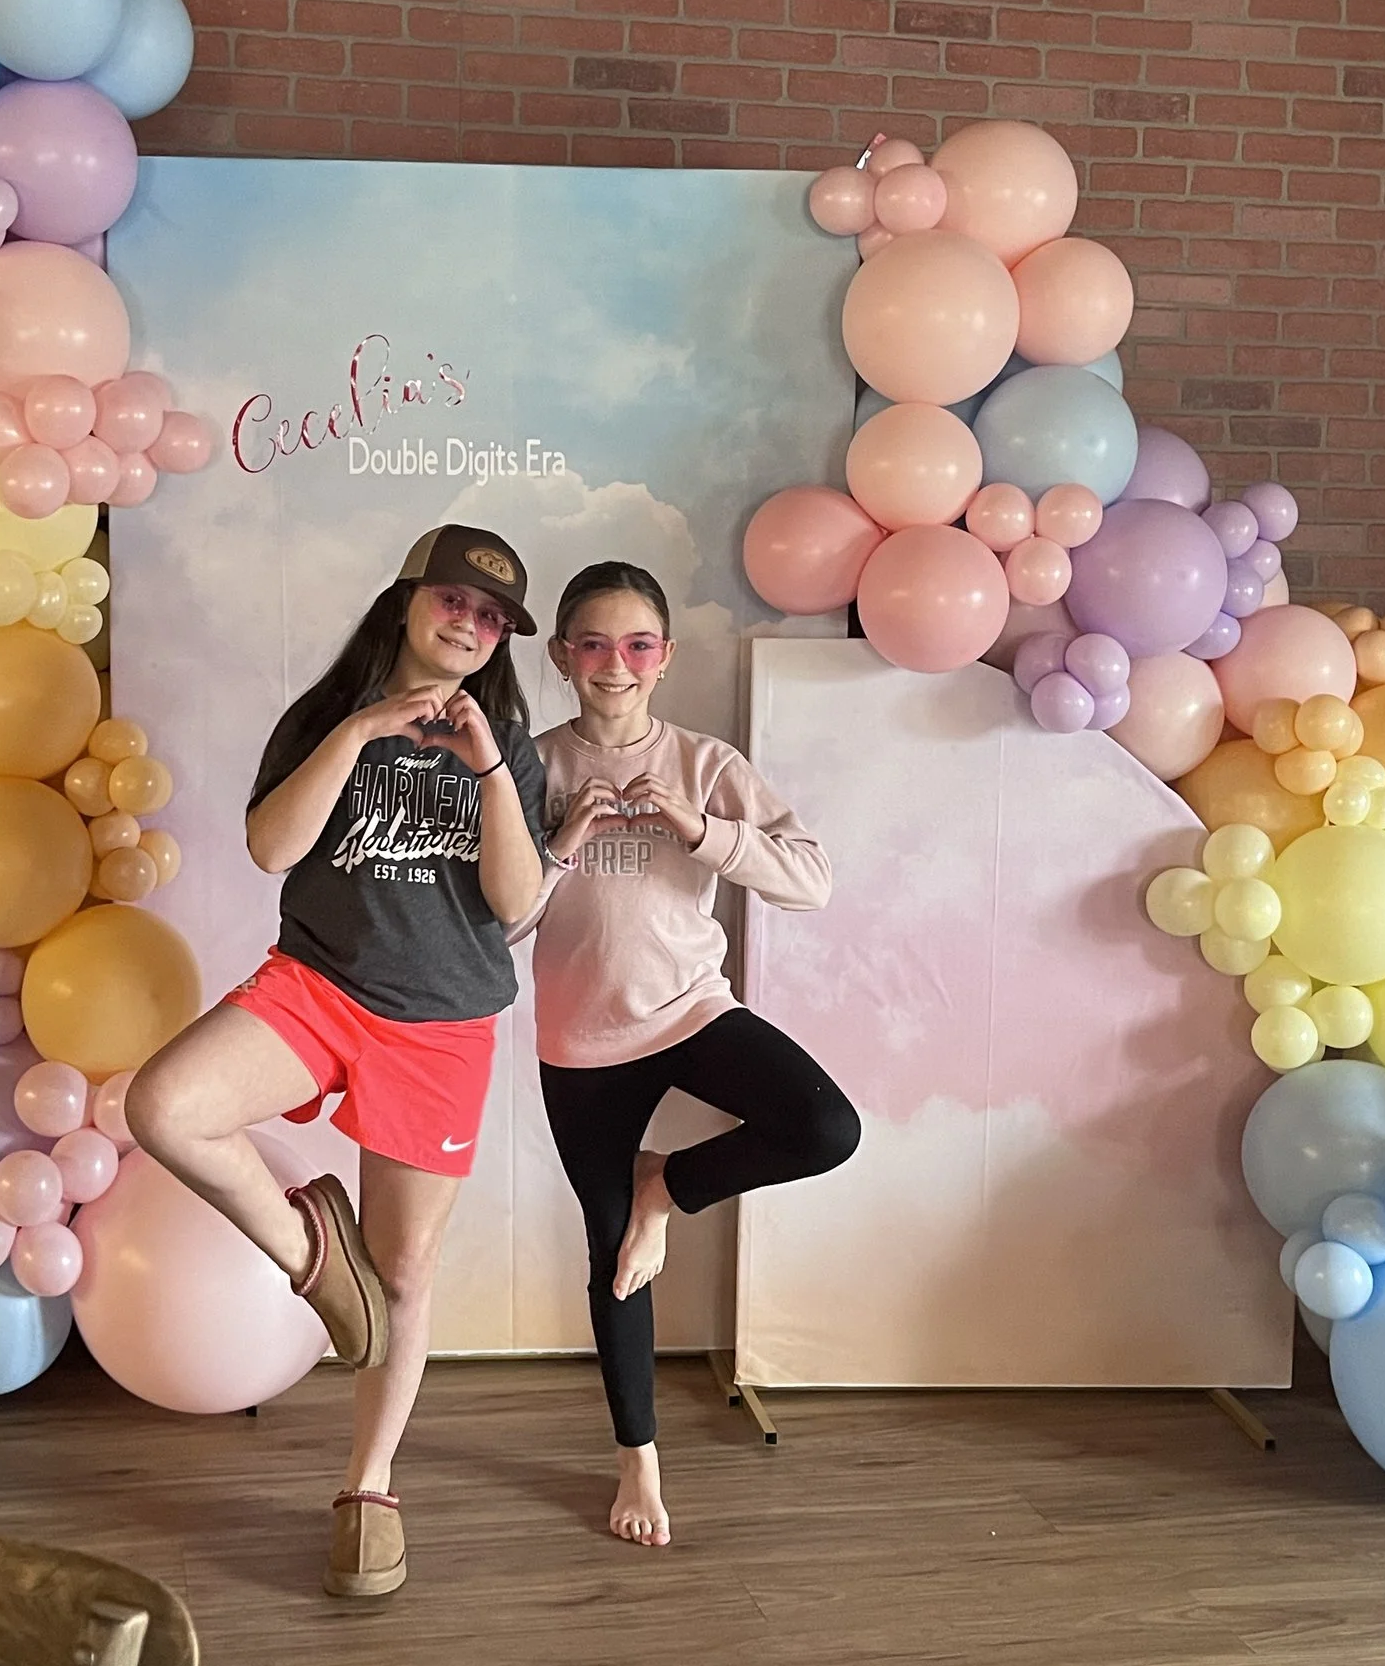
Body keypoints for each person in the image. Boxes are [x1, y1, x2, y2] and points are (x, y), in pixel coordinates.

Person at [125, 525, 547, 1599]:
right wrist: (361, 731)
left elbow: (517, 904)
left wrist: (488, 766)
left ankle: (369, 1489)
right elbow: (271, 849)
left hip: (442, 1023)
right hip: (316, 989)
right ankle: (310, 1249)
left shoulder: (508, 740)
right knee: (167, 1106)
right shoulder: (326, 719)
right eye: (455, 601)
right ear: (407, 600)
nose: (471, 625)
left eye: (493, 619)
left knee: (403, 1276)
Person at [522, 561, 862, 1549]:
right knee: (613, 1263)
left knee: (823, 1127)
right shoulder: (533, 766)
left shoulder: (707, 764)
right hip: (579, 1042)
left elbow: (810, 881)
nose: (614, 665)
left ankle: (663, 1186)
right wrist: (557, 844)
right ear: (561, 657)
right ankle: (640, 1468)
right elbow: (489, 924)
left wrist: (701, 831)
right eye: (592, 643)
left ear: (662, 659)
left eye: (636, 646)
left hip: (687, 1011)